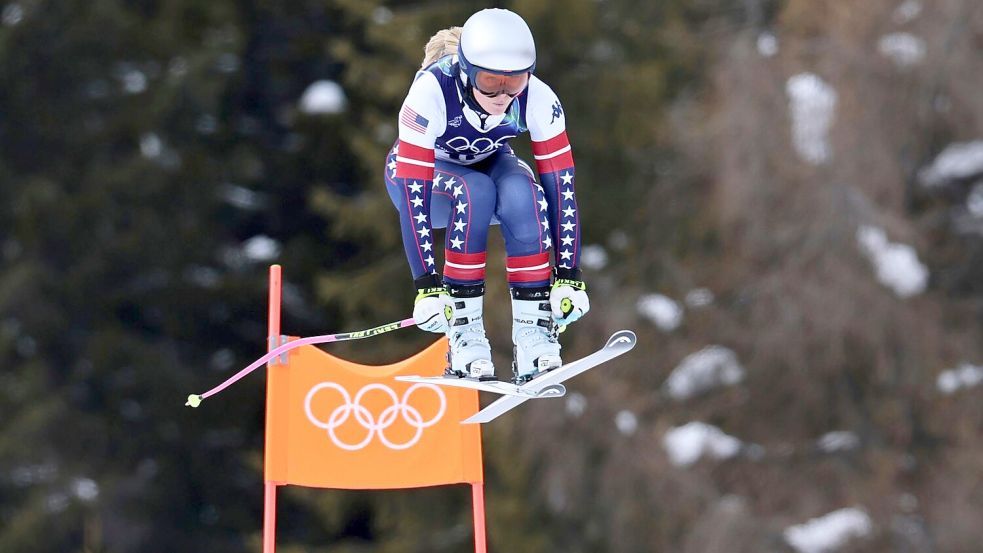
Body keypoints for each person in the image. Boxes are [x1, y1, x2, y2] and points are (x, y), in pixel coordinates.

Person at [384, 8, 589, 384]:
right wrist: (426, 286)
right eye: (490, 81)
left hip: (489, 165)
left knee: (521, 190)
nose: (502, 95)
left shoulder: (538, 97)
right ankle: (464, 333)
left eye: (514, 83)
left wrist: (569, 276)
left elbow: (562, 187)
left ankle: (534, 334)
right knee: (474, 189)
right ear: (465, 72)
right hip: (426, 187)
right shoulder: (430, 92)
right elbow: (415, 192)